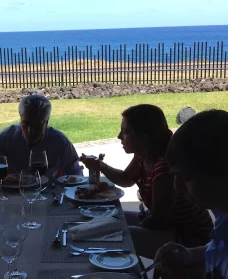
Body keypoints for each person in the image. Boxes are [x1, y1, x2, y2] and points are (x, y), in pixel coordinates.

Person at [141, 110, 228, 279]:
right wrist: (191, 256)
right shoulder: (223, 214)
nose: (177, 188)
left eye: (185, 178)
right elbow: (221, 250)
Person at [80, 104, 213, 258]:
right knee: (110, 219)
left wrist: (124, 227)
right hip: (169, 226)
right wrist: (100, 166)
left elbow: (158, 220)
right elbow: (126, 179)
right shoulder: (143, 155)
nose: (119, 136)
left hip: (190, 238)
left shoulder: (164, 169)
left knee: (119, 236)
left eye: (125, 131)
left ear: (144, 137)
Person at [0, 94, 82, 176]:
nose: (30, 131)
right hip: (12, 194)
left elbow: (76, 176)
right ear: (20, 119)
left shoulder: (60, 142)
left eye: (37, 125)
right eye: (25, 124)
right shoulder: (6, 138)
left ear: (46, 122)